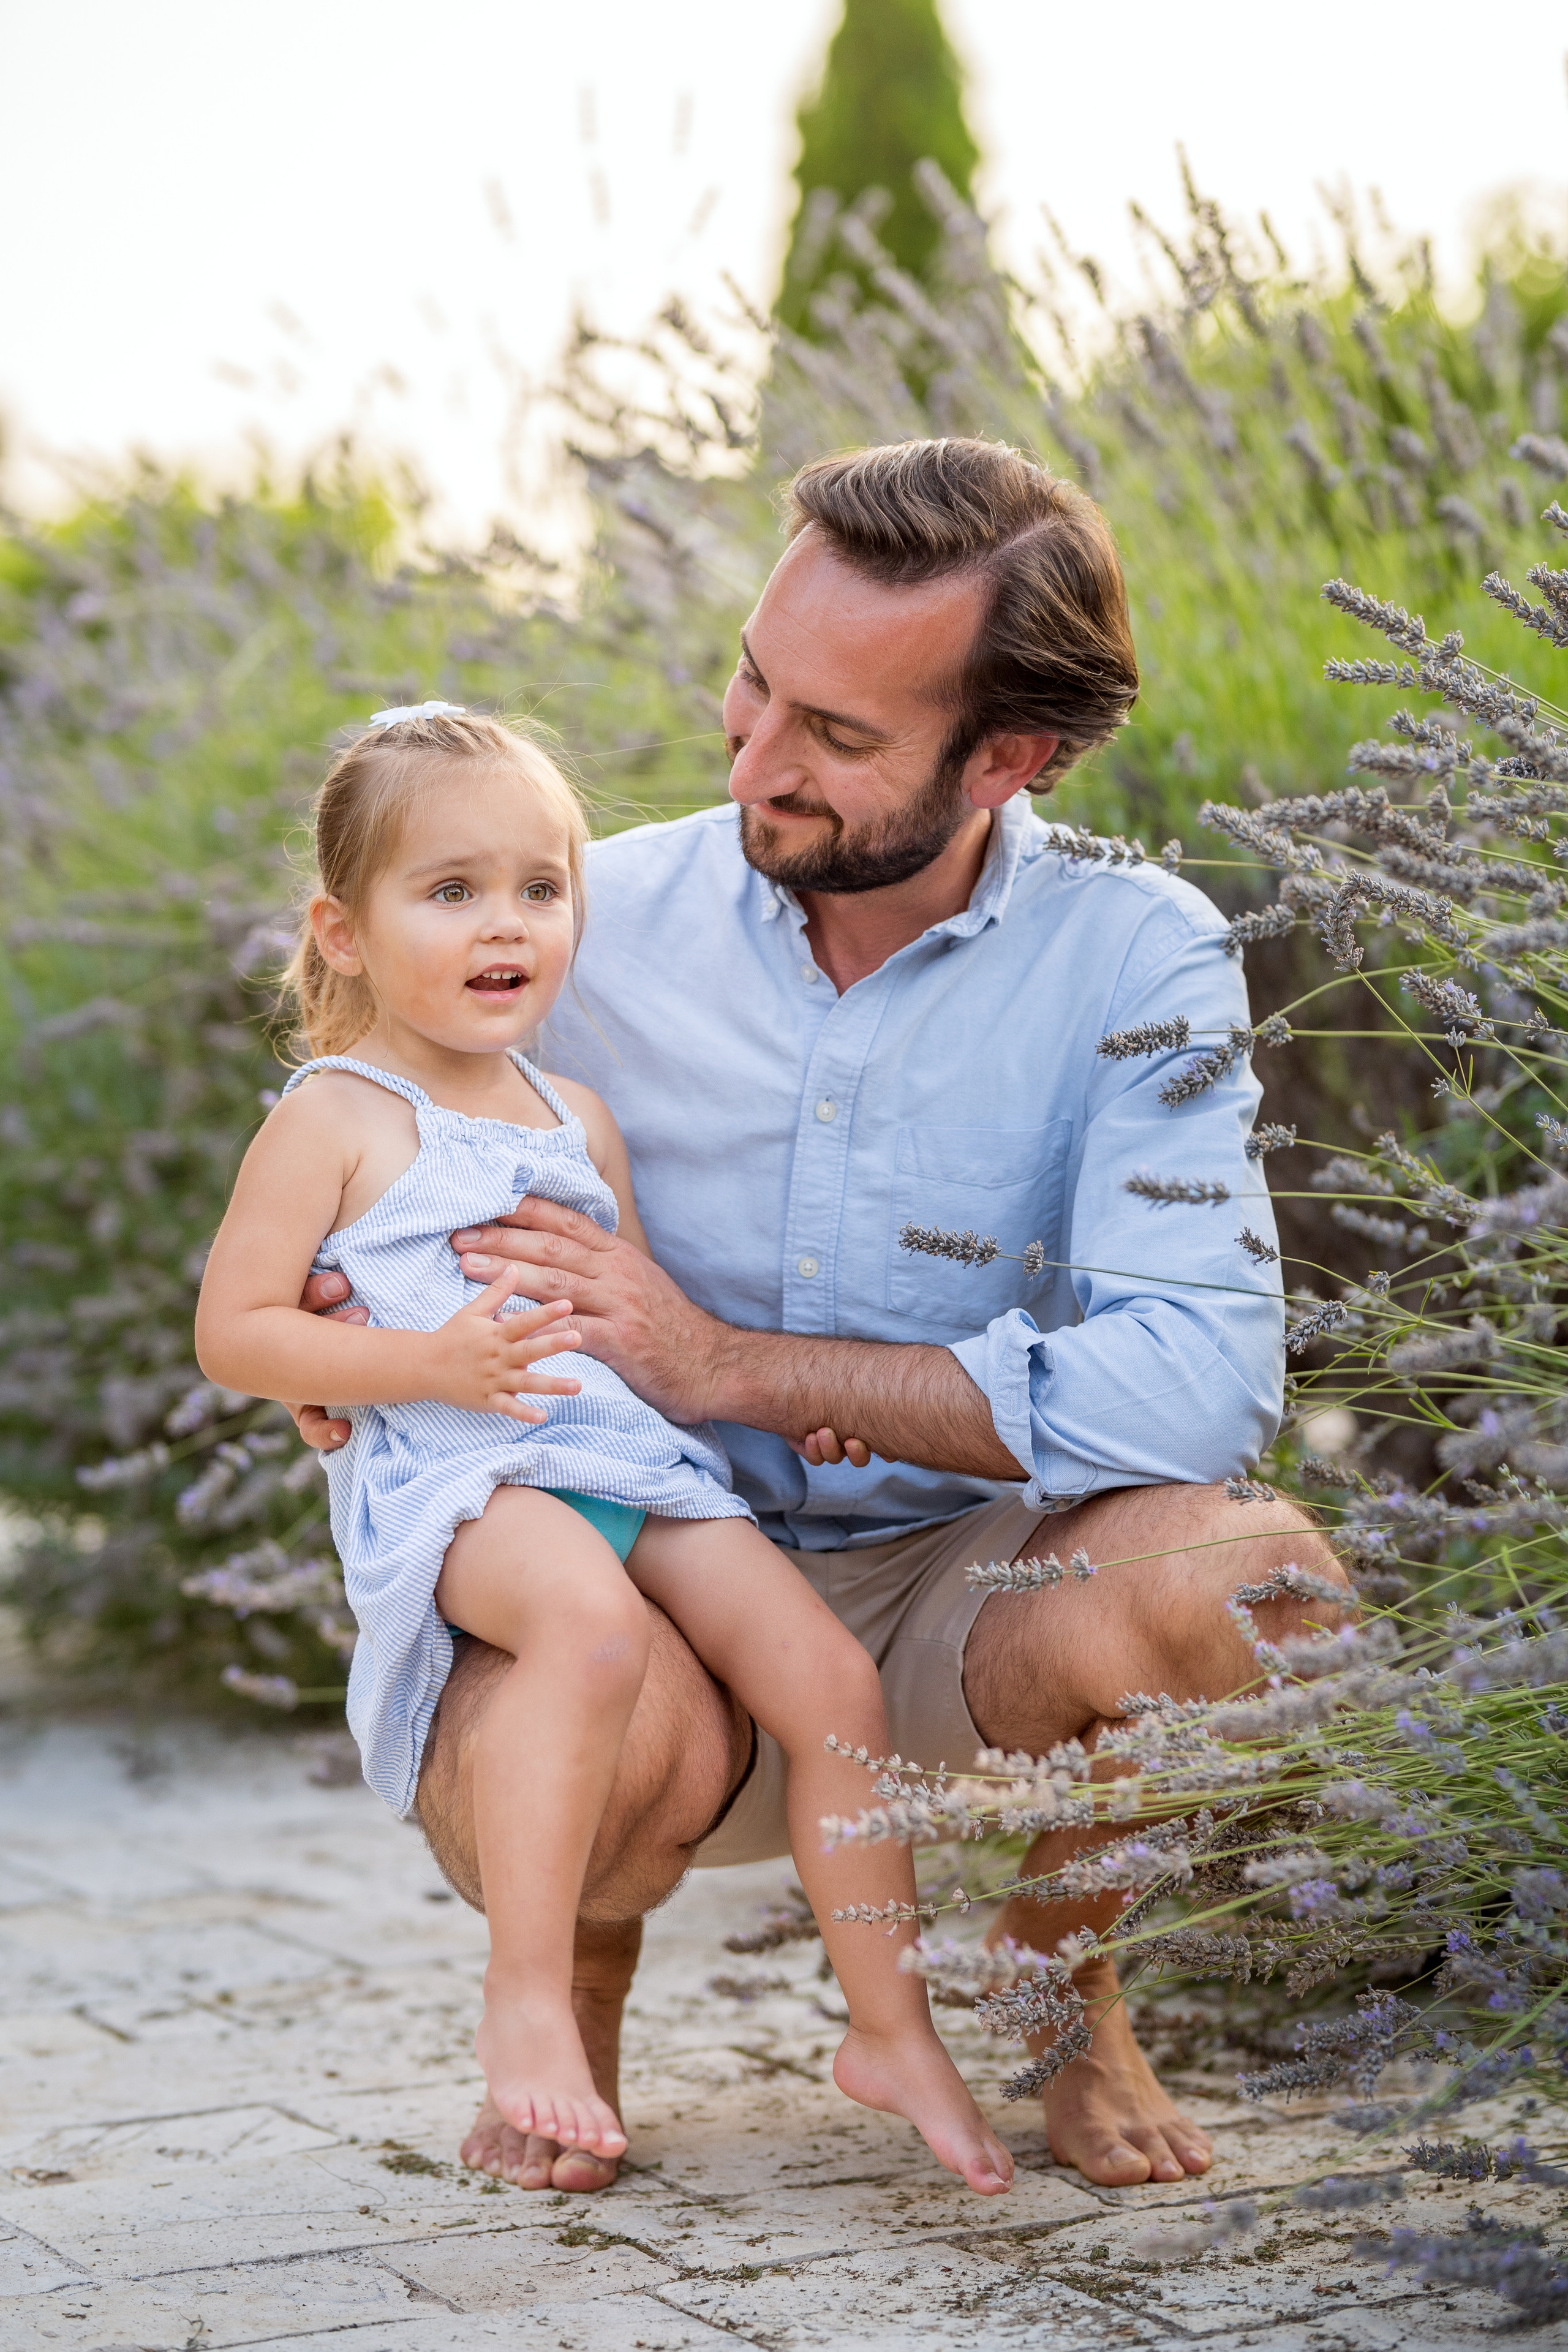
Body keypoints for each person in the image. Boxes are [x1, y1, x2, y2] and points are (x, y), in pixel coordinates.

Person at [292, 439, 1347, 2196]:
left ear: (1010, 757)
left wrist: (730, 1365)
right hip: (644, 1575)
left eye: (838, 736)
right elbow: (360, 1161)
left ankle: (1056, 1994)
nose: (755, 759)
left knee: (1270, 1590)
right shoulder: (562, 916)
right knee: (582, 1698)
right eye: (756, 682)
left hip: (967, 1594)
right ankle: (582, 1981)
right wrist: (344, 1329)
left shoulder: (1134, 953)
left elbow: (1206, 1383)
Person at [194, 705, 1015, 2196]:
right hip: (468, 1475)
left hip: (632, 1466)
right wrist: (414, 1363)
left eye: (538, 888)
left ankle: (888, 2022)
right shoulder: (337, 1116)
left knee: (826, 1677)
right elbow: (237, 1331)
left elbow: (638, 1333)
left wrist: (770, 1395)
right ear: (344, 931)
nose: (503, 924)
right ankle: (525, 1992)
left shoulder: (575, 1117)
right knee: (582, 1632)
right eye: (448, 892)